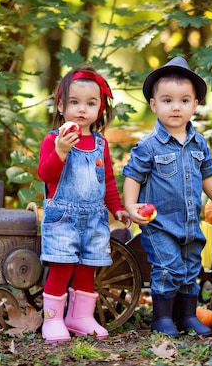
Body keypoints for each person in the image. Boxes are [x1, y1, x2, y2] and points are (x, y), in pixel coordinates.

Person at [122, 57, 212, 337]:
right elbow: (133, 175)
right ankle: (162, 318)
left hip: (190, 223)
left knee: (190, 267)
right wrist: (131, 205)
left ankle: (186, 315)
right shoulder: (148, 146)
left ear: (195, 105)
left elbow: (208, 176)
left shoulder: (199, 143)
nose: (176, 107)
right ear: (154, 104)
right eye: (167, 100)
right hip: (160, 224)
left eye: (184, 101)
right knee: (167, 267)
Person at [38, 67, 131, 343]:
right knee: (61, 267)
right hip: (63, 217)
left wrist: (117, 208)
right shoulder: (54, 140)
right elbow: (46, 175)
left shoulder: (101, 144)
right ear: (60, 105)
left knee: (87, 268)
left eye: (91, 104)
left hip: (94, 219)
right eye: (74, 102)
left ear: (100, 109)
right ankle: (52, 320)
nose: (82, 110)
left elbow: (108, 182)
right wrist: (61, 151)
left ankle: (79, 318)